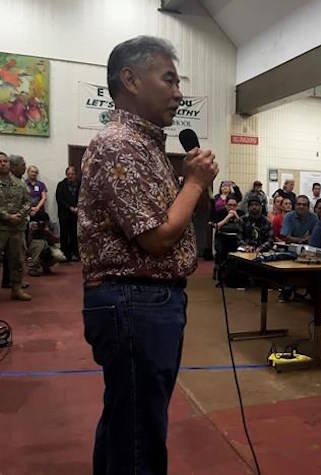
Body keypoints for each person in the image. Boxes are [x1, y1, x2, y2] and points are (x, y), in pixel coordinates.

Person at [77, 36, 218, 474]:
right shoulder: (120, 144)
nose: (178, 93)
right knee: (140, 433)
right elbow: (157, 238)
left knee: (128, 422)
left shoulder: (147, 144)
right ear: (131, 80)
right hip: (134, 301)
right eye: (169, 79)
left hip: (146, 301)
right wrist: (192, 183)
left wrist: (197, 186)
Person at [0, 151, 32, 300]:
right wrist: (7, 216)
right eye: (0, 162)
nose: (3, 164)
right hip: (1, 227)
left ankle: (16, 289)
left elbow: (28, 201)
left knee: (17, 260)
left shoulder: (19, 183)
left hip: (16, 229)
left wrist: (20, 215)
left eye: (5, 161)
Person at [55, 165, 80, 261]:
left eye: (72, 174)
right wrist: (70, 208)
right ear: (66, 174)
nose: (70, 176)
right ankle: (64, 255)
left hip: (76, 214)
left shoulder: (80, 184)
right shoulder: (61, 185)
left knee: (74, 234)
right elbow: (60, 199)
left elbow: (82, 197)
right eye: (68, 174)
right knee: (64, 235)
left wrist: (78, 208)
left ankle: (75, 254)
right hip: (64, 214)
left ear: (75, 175)